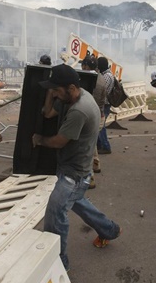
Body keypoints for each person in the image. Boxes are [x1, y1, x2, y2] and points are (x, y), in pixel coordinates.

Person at [32, 64, 121, 271]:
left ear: (71, 87)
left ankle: (58, 264)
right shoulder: (69, 98)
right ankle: (109, 230)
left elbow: (58, 142)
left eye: (56, 90)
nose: (54, 93)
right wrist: (50, 92)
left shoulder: (79, 110)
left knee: (55, 213)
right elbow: (47, 113)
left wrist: (39, 139)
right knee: (78, 203)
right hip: (70, 167)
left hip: (75, 173)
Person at [80, 55, 107, 189]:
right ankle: (96, 165)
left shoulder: (90, 80)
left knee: (86, 146)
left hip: (92, 117)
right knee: (92, 142)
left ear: (85, 66)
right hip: (99, 115)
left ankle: (89, 178)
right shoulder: (100, 77)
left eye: (82, 65)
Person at [96, 56, 114, 154]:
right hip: (104, 104)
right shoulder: (106, 74)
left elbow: (102, 90)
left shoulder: (106, 76)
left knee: (101, 126)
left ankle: (106, 146)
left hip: (104, 104)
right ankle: (99, 145)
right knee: (99, 125)